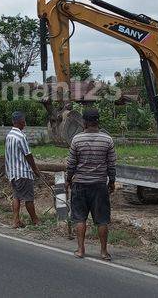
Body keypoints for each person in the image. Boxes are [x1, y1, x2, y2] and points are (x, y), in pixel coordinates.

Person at [67, 108, 116, 261]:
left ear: (84, 122)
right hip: (99, 185)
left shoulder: (76, 140)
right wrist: (112, 181)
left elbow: (71, 164)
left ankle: (81, 250)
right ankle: (103, 252)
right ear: (97, 121)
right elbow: (111, 164)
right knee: (102, 220)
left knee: (80, 218)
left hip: (80, 184)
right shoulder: (107, 140)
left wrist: (68, 179)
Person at [4, 111, 41, 228]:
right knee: (28, 198)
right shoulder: (21, 136)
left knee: (17, 197)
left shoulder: (9, 136)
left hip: (12, 173)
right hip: (23, 172)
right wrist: (35, 169)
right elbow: (28, 155)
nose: (25, 123)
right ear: (20, 122)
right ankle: (35, 221)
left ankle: (15, 220)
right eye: (24, 121)